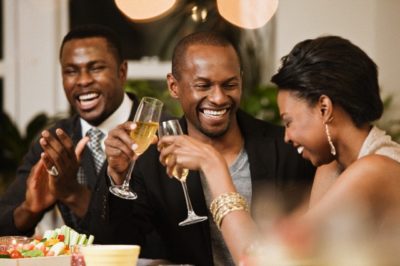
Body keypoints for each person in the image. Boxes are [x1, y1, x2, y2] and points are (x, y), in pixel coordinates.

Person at [158, 35, 400, 263]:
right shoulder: (331, 164)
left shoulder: (374, 170)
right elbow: (286, 250)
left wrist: (213, 166)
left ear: (324, 108)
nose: (287, 136)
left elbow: (260, 262)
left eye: (289, 121)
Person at [105, 31, 315, 265]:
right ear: (174, 86)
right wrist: (116, 177)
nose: (218, 98)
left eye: (230, 85)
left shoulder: (286, 148)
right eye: (203, 85)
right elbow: (119, 246)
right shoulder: (149, 159)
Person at [0, 24, 142, 243]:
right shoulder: (54, 140)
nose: (83, 80)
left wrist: (72, 193)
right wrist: (30, 209)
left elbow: (157, 236)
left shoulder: (159, 130)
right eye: (71, 71)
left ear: (121, 72)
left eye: (95, 68)